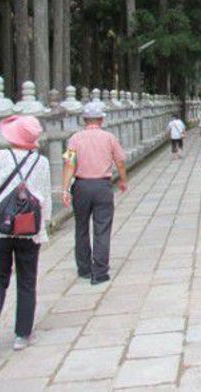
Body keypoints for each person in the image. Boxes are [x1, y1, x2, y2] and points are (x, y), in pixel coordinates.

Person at [0, 115, 52, 356]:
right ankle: (21, 335)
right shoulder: (40, 162)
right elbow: (44, 197)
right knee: (27, 279)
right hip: (28, 228)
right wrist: (44, 224)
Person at [62, 101, 127, 286]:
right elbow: (120, 161)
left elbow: (69, 164)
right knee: (102, 228)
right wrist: (123, 180)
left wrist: (65, 189)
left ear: (84, 119)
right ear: (101, 119)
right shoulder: (109, 138)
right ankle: (100, 271)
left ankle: (84, 268)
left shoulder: (74, 139)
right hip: (102, 186)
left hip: (81, 186)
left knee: (81, 227)